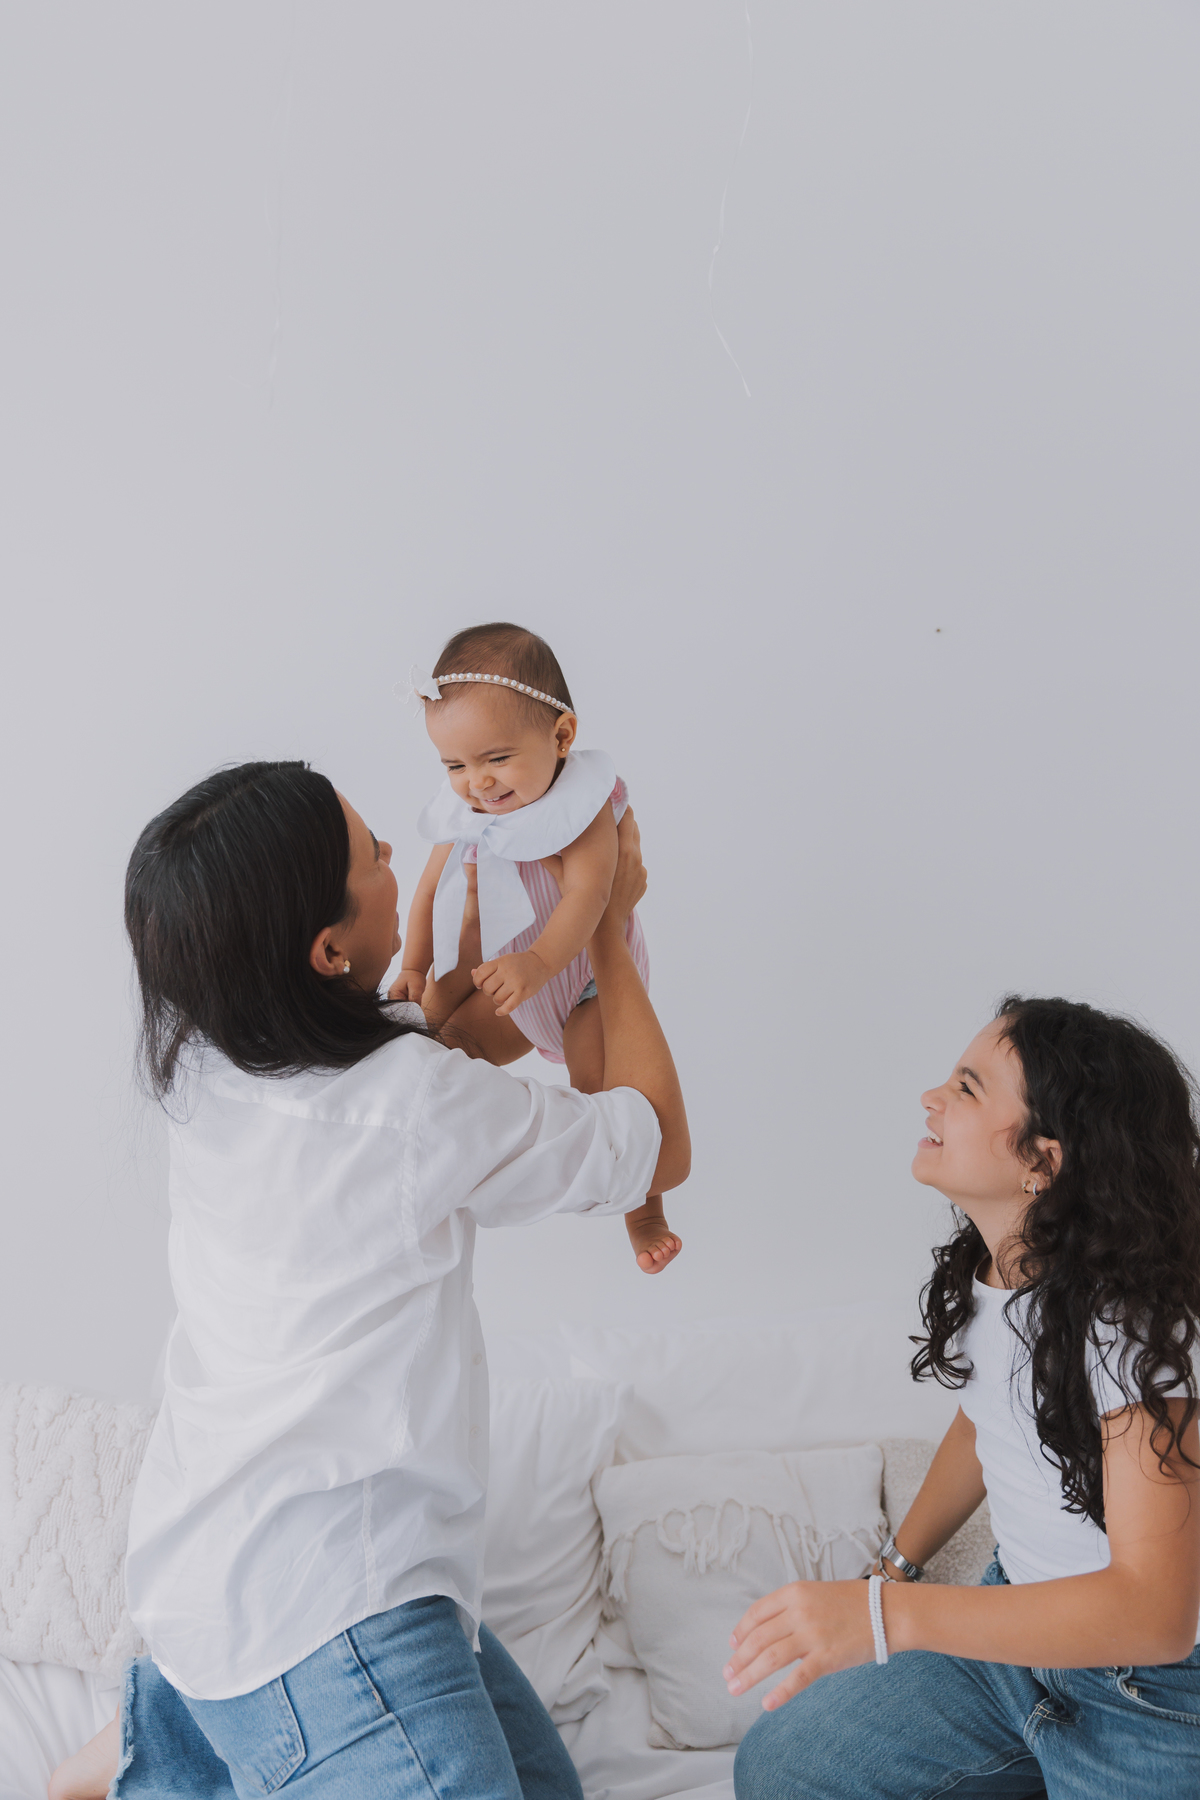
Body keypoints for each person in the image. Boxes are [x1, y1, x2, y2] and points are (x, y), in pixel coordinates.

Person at [49, 759, 688, 1800]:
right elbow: (655, 1141)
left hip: (208, 1573)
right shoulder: (410, 1103)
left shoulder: (209, 1060)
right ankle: (168, 1755)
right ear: (327, 949)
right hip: (333, 1614)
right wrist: (605, 929)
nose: (396, 857)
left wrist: (495, 964)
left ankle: (166, 1738)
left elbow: (424, 1054)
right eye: (373, 857)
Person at [729, 995, 1200, 1799]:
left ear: (1043, 1161)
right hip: (1014, 1640)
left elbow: (1156, 1617)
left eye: (968, 1087)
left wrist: (886, 1622)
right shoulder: (1000, 1269)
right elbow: (989, 1426)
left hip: (1145, 1693)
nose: (931, 1097)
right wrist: (891, 1573)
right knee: (781, 1765)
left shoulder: (1132, 1327)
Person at [390, 620, 681, 1275]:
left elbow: (589, 893)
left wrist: (542, 962)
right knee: (445, 1049)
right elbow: (430, 887)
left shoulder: (584, 805)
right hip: (512, 978)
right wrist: (414, 964)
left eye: (496, 759)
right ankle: (424, 1166)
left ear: (561, 737)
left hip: (582, 981)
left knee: (603, 1097)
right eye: (455, 766)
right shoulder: (467, 808)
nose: (477, 783)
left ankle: (644, 1211)